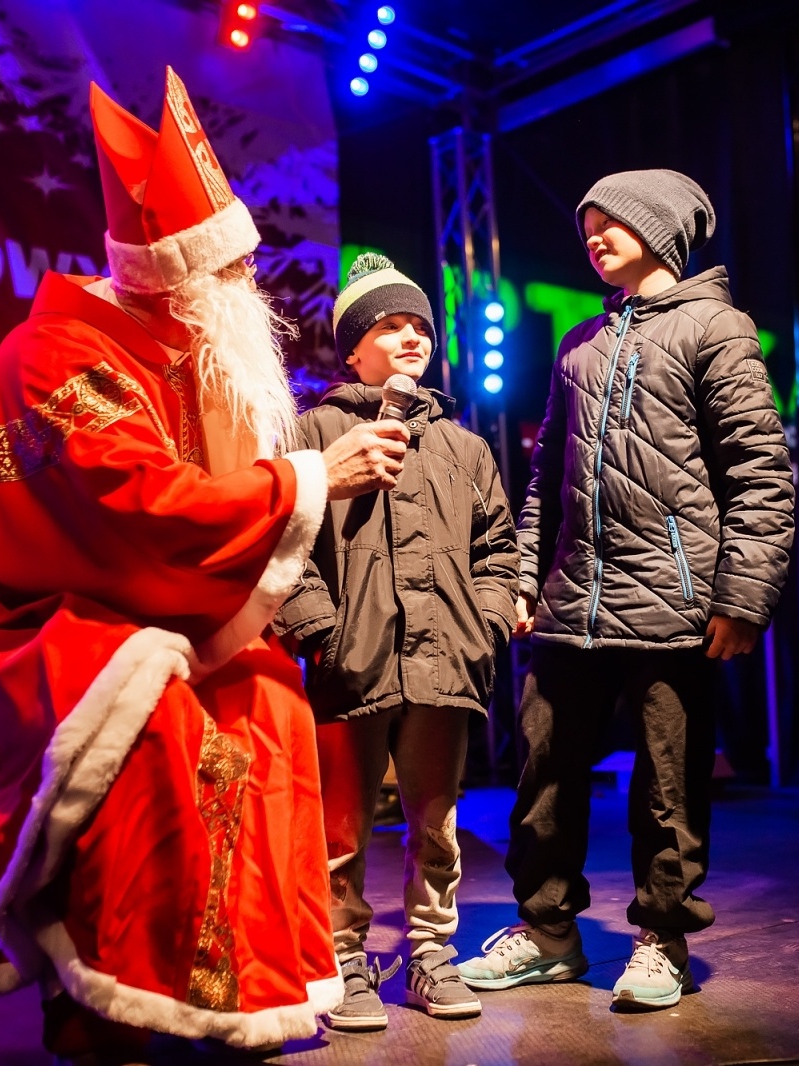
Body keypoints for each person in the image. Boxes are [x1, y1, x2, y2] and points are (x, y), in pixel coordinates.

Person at [0, 68, 412, 1060]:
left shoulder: (174, 352)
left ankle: (221, 990)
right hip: (25, 620)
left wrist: (285, 492)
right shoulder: (63, 351)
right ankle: (102, 1006)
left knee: (269, 690)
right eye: (226, 275)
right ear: (173, 272)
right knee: (159, 716)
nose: (243, 293)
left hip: (116, 598)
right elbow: (132, 507)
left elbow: (172, 525)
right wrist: (308, 479)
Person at [458, 170, 795, 1010]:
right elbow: (545, 480)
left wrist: (742, 597)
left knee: (668, 786)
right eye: (588, 225)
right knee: (544, 776)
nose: (594, 235)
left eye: (612, 222)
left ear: (661, 228)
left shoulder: (717, 328)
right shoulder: (579, 343)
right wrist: (526, 580)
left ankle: (662, 940)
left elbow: (761, 474)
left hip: (675, 603)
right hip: (573, 603)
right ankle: (545, 935)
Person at [272, 253, 520, 1031]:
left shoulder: (466, 448)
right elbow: (288, 543)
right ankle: (343, 958)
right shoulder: (314, 431)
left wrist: (481, 625)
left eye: (419, 324)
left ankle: (429, 954)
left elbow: (499, 552)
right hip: (351, 667)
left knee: (436, 822)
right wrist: (322, 631)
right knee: (340, 828)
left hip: (446, 665)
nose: (411, 335)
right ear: (352, 348)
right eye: (389, 324)